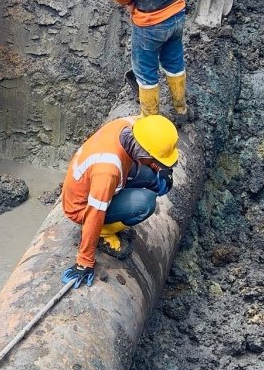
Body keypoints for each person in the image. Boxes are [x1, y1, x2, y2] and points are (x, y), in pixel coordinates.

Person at [60, 115, 179, 288]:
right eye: (154, 159)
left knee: (153, 179)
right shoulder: (107, 171)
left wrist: (160, 169)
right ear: (143, 152)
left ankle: (119, 205)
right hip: (83, 207)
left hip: (116, 174)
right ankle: (104, 232)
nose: (156, 163)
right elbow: (94, 213)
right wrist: (84, 261)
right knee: (145, 203)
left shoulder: (129, 126)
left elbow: (147, 145)